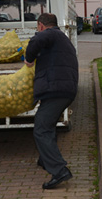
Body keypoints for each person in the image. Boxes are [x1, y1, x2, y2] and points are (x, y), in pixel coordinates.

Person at [24, 13, 78, 189]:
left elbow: (37, 40)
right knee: (48, 125)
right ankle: (45, 160)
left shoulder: (51, 34)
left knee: (41, 129)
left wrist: (29, 59)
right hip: (63, 89)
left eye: (37, 28)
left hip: (57, 90)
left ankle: (59, 170)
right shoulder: (61, 38)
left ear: (40, 25)